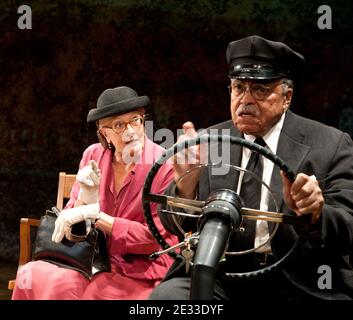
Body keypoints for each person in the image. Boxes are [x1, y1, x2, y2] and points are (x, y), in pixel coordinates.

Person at [149, 35, 353, 300]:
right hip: (219, 276)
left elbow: (348, 227)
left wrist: (315, 212)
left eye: (259, 90)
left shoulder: (330, 143)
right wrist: (185, 188)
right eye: (238, 88)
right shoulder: (209, 141)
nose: (245, 100)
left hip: (299, 279)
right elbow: (173, 224)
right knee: (168, 299)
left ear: (287, 96)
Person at [12, 86, 177, 300]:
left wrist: (97, 217)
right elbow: (70, 227)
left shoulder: (163, 165)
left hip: (141, 266)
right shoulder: (93, 155)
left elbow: (155, 238)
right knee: (30, 274)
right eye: (119, 124)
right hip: (91, 258)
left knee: (78, 286)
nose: (130, 130)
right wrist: (84, 199)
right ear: (103, 132)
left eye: (135, 120)